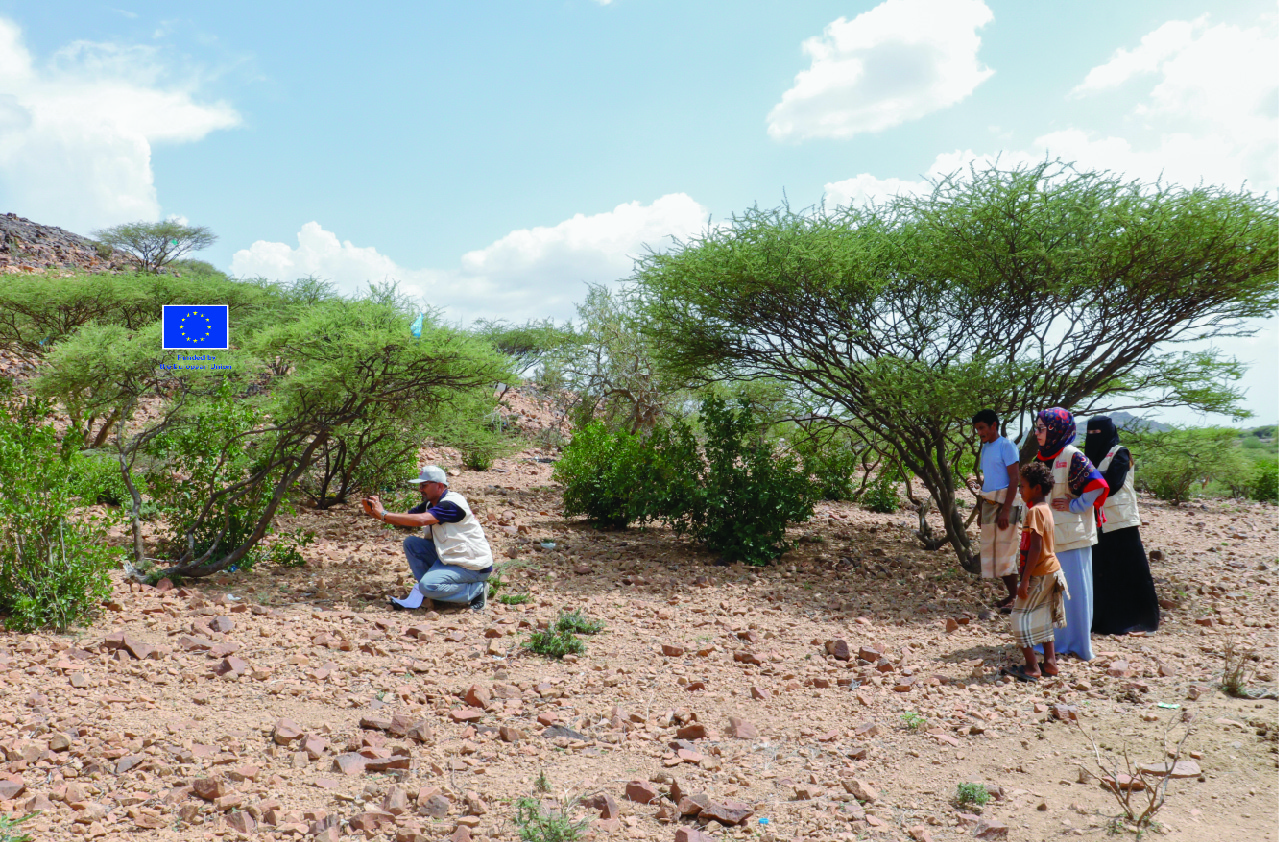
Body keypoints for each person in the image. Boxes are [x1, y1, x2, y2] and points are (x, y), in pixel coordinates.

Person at [362, 466, 493, 612]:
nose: (420, 489)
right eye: (420, 485)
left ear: (440, 486)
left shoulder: (451, 503)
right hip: (451, 558)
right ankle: (438, 593)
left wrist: (383, 513)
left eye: (424, 485)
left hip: (471, 565)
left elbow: (421, 520)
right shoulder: (431, 503)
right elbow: (405, 520)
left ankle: (476, 589)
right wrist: (375, 512)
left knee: (427, 586)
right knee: (411, 544)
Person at [1033, 408, 1109, 661]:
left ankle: (1076, 644)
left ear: (1055, 429)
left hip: (1073, 537)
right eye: (1036, 428)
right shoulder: (1041, 456)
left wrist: (1075, 505)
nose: (1037, 433)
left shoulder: (1073, 455)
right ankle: (1052, 642)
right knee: (1050, 589)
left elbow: (1097, 486)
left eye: (1042, 428)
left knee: (1074, 591)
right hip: (1050, 535)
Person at [1085, 416, 1160, 635]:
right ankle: (1104, 621)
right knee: (1103, 573)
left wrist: (1085, 479)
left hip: (1123, 522)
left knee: (1132, 571)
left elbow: (1113, 483)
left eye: (1097, 433)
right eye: (1090, 433)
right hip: (1098, 523)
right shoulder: (1087, 458)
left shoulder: (1120, 453)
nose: (1093, 438)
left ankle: (1143, 620)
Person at [1003, 461, 1069, 682]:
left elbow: (1036, 547)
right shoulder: (1044, 509)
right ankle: (1049, 663)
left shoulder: (1034, 512)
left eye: (1022, 486)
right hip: (1052, 570)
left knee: (1018, 616)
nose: (1020, 490)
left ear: (1037, 488)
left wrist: (1024, 580)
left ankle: (1032, 667)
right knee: (1042, 614)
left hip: (1041, 572)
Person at [972, 409, 1022, 612]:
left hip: (1005, 506)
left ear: (994, 426)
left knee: (1005, 551)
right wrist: (980, 509)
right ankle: (1013, 594)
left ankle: (1017, 597)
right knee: (993, 552)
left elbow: (1015, 479)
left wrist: (1005, 510)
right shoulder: (986, 448)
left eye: (982, 428)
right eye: (976, 429)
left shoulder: (1006, 446)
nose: (979, 433)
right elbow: (989, 480)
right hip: (989, 505)